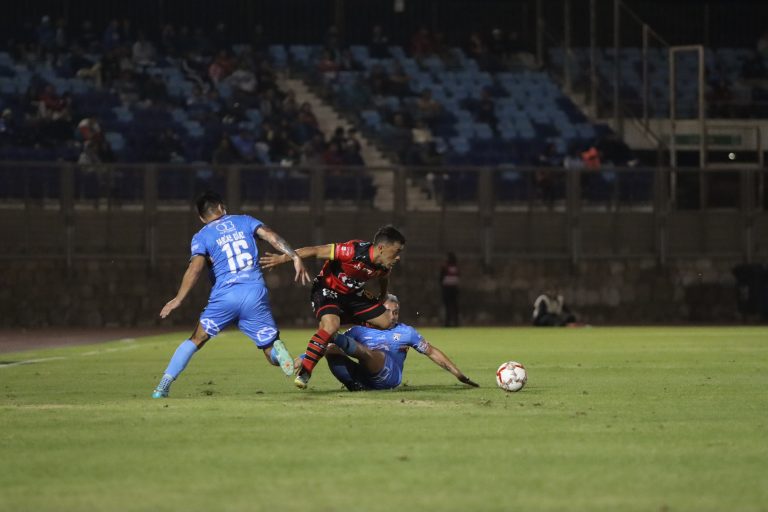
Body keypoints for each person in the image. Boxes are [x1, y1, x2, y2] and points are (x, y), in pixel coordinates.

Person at [151, 191, 311, 398]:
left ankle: (163, 385)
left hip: (225, 296)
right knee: (270, 351)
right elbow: (272, 236)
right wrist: (294, 257)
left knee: (196, 339)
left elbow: (195, 269)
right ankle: (283, 356)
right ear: (222, 207)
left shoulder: (202, 236)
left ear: (201, 217)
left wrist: (178, 299)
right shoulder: (245, 220)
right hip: (254, 293)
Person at [259, 225, 406, 389]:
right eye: (397, 251)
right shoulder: (352, 251)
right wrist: (284, 258)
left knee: (386, 321)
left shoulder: (384, 264)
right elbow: (315, 250)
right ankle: (306, 370)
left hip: (351, 295)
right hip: (327, 290)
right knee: (331, 326)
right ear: (381, 248)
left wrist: (383, 296)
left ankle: (322, 343)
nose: (398, 257)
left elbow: (384, 278)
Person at [325, 294, 478, 390]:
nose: (392, 316)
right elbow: (327, 346)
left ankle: (333, 335)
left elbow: (431, 351)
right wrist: (306, 359)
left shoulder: (406, 332)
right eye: (387, 312)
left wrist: (458, 374)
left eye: (396, 312)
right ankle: (354, 385)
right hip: (363, 376)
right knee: (330, 349)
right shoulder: (359, 330)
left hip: (389, 377)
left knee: (372, 354)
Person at [439, 252, 460, 327]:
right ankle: (453, 322)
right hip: (451, 288)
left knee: (450, 306)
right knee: (453, 306)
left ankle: (450, 322)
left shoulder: (445, 267)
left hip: (449, 288)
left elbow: (441, 278)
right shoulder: (455, 267)